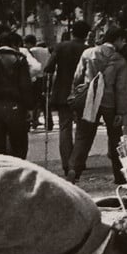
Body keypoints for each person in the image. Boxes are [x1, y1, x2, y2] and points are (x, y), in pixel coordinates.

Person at [69, 26, 127, 185]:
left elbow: (77, 78)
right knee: (115, 139)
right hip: (110, 103)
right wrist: (121, 112)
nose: (124, 43)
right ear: (116, 40)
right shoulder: (119, 60)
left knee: (83, 137)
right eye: (123, 40)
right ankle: (120, 174)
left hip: (90, 100)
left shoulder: (87, 53)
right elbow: (121, 88)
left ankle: (74, 170)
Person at [0, 29, 33, 159]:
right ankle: (17, 173)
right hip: (15, 105)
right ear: (14, 44)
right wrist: (29, 107)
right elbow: (25, 85)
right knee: (18, 144)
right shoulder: (19, 58)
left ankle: (0, 173)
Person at [45, 21, 90, 178]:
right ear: (87, 34)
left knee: (65, 128)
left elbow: (48, 67)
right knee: (82, 129)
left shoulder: (61, 47)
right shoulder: (88, 50)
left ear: (72, 32)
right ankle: (77, 162)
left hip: (63, 92)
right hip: (82, 93)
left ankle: (66, 163)